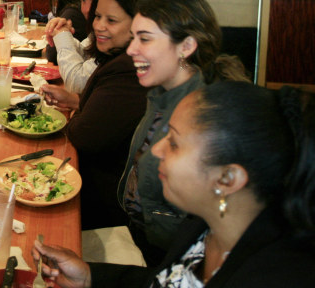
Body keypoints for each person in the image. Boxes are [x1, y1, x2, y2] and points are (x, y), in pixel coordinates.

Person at [32, 81, 315, 288]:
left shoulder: (275, 276)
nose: (156, 150)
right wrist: (90, 277)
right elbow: (167, 281)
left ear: (228, 179)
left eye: (176, 143)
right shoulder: (205, 226)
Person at [120, 0, 249, 264]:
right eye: (133, 38)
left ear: (186, 47)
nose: (131, 49)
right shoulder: (161, 95)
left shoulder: (201, 114)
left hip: (167, 252)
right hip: (140, 233)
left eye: (144, 39)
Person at [40, 0, 153, 230]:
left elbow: (83, 135)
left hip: (106, 204)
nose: (99, 26)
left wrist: (79, 110)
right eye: (98, 17)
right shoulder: (116, 58)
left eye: (111, 20)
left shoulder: (128, 68)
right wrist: (76, 101)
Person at [44, 0, 125, 93]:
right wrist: (61, 34)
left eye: (94, 0)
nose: (86, 9)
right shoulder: (97, 28)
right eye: (83, 0)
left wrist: (62, 36)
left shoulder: (120, 36)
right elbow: (85, 52)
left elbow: (77, 84)